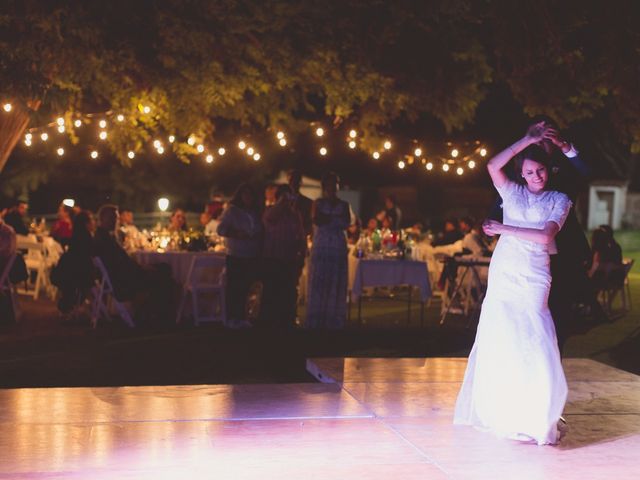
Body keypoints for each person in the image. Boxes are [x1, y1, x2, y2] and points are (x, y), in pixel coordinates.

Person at [454, 124, 572, 445]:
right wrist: (527, 140)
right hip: (505, 270)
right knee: (504, 332)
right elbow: (492, 166)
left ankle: (539, 413)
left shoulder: (559, 199)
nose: (536, 177)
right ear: (522, 173)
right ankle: (505, 409)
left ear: (549, 171)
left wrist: (504, 228)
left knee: (535, 330)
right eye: (530, 171)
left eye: (540, 171)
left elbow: (546, 235)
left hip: (534, 272)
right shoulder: (512, 192)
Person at [94, 205, 176, 324]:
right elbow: (122, 264)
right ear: (104, 219)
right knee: (164, 272)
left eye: (116, 218)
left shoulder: (102, 237)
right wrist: (142, 269)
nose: (116, 221)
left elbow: (122, 262)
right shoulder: (106, 240)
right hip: (124, 282)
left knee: (162, 269)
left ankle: (152, 313)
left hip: (120, 278)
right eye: (113, 218)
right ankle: (160, 316)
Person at [306, 172, 351, 329]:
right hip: (322, 244)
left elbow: (346, 222)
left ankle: (334, 317)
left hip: (337, 246)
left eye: (335, 184)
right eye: (330, 184)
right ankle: (317, 316)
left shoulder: (344, 205)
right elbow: (317, 219)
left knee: (335, 279)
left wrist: (328, 219)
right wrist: (333, 220)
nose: (333, 187)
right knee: (320, 279)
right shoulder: (317, 203)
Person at [260, 184, 306, 328]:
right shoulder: (270, 211)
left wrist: (302, 254)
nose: (288, 200)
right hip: (273, 258)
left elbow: (301, 236)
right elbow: (270, 218)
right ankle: (269, 320)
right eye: (284, 196)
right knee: (272, 290)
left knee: (290, 291)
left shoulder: (295, 215)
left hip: (290, 258)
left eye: (289, 196)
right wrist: (282, 202)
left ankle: (288, 319)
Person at [217, 184, 263, 327]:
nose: (248, 198)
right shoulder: (232, 212)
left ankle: (243, 317)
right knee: (234, 287)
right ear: (240, 196)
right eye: (245, 194)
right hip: (236, 254)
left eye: (250, 195)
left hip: (251, 254)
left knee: (246, 286)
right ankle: (232, 318)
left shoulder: (255, 213)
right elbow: (221, 229)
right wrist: (237, 233)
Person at [52, 210, 96, 314]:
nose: (94, 222)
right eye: (92, 220)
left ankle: (70, 305)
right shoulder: (87, 238)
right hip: (82, 274)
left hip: (70, 273)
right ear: (86, 223)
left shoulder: (76, 236)